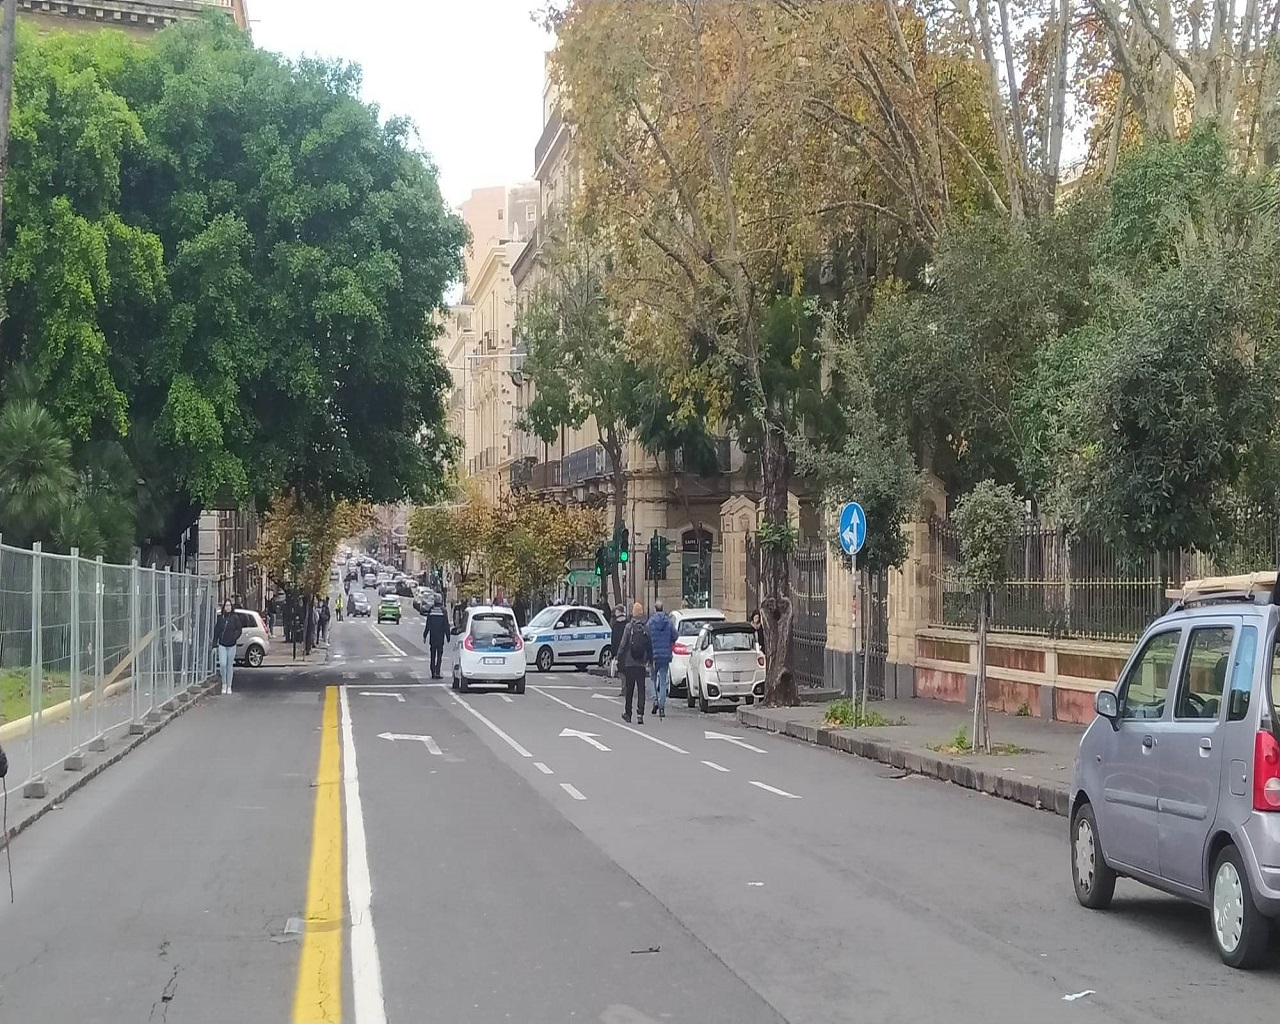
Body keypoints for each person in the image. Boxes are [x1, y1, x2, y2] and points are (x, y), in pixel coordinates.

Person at [617, 602, 651, 725]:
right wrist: (650, 660)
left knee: (629, 689)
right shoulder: (645, 628)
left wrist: (619, 655)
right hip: (641, 663)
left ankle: (628, 713)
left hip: (630, 662)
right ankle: (640, 713)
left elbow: (623, 643)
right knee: (641, 689)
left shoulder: (628, 627)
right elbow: (649, 645)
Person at [647, 600, 675, 719]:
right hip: (665, 655)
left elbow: (646, 635)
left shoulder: (651, 622)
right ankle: (662, 705)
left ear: (655, 609)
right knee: (663, 681)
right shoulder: (668, 622)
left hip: (653, 655)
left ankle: (655, 700)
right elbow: (675, 635)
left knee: (653, 679)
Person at [213, 599, 243, 695]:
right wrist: (214, 644)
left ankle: (229, 686)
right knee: (222, 664)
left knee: (229, 666)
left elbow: (239, 629)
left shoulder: (235, 618)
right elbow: (216, 631)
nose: (228, 607)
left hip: (232, 645)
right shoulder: (220, 618)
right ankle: (224, 684)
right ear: (223, 607)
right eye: (226, 605)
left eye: (229, 605)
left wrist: (235, 636)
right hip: (222, 644)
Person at [423, 596, 452, 679]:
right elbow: (446, 625)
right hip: (440, 637)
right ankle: (437, 672)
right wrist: (448, 636)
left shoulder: (431, 610)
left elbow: (428, 624)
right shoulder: (443, 611)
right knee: (439, 656)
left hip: (433, 637)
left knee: (432, 655)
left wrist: (425, 635)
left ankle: (433, 672)